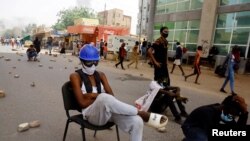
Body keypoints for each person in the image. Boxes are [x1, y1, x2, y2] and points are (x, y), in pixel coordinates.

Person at [69, 44, 168, 141]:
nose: (93, 65)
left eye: (95, 62)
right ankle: (141, 113)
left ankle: (139, 116)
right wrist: (99, 97)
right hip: (91, 115)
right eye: (89, 63)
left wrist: (90, 96)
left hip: (108, 112)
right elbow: (82, 103)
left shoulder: (101, 75)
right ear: (81, 61)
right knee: (104, 97)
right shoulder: (76, 76)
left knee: (137, 121)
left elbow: (112, 98)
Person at [181, 94, 248, 141]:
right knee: (202, 138)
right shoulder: (207, 112)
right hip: (191, 126)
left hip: (206, 127)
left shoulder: (225, 112)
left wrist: (245, 113)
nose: (234, 117)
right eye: (233, 114)